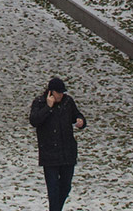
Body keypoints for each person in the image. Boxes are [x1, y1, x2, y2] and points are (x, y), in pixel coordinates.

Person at [29, 77, 86, 211]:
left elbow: (77, 115)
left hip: (67, 153)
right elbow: (34, 120)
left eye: (62, 92)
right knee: (53, 190)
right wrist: (48, 107)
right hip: (49, 155)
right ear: (51, 92)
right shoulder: (40, 103)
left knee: (65, 186)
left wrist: (81, 121)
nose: (60, 95)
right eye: (58, 92)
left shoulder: (67, 102)